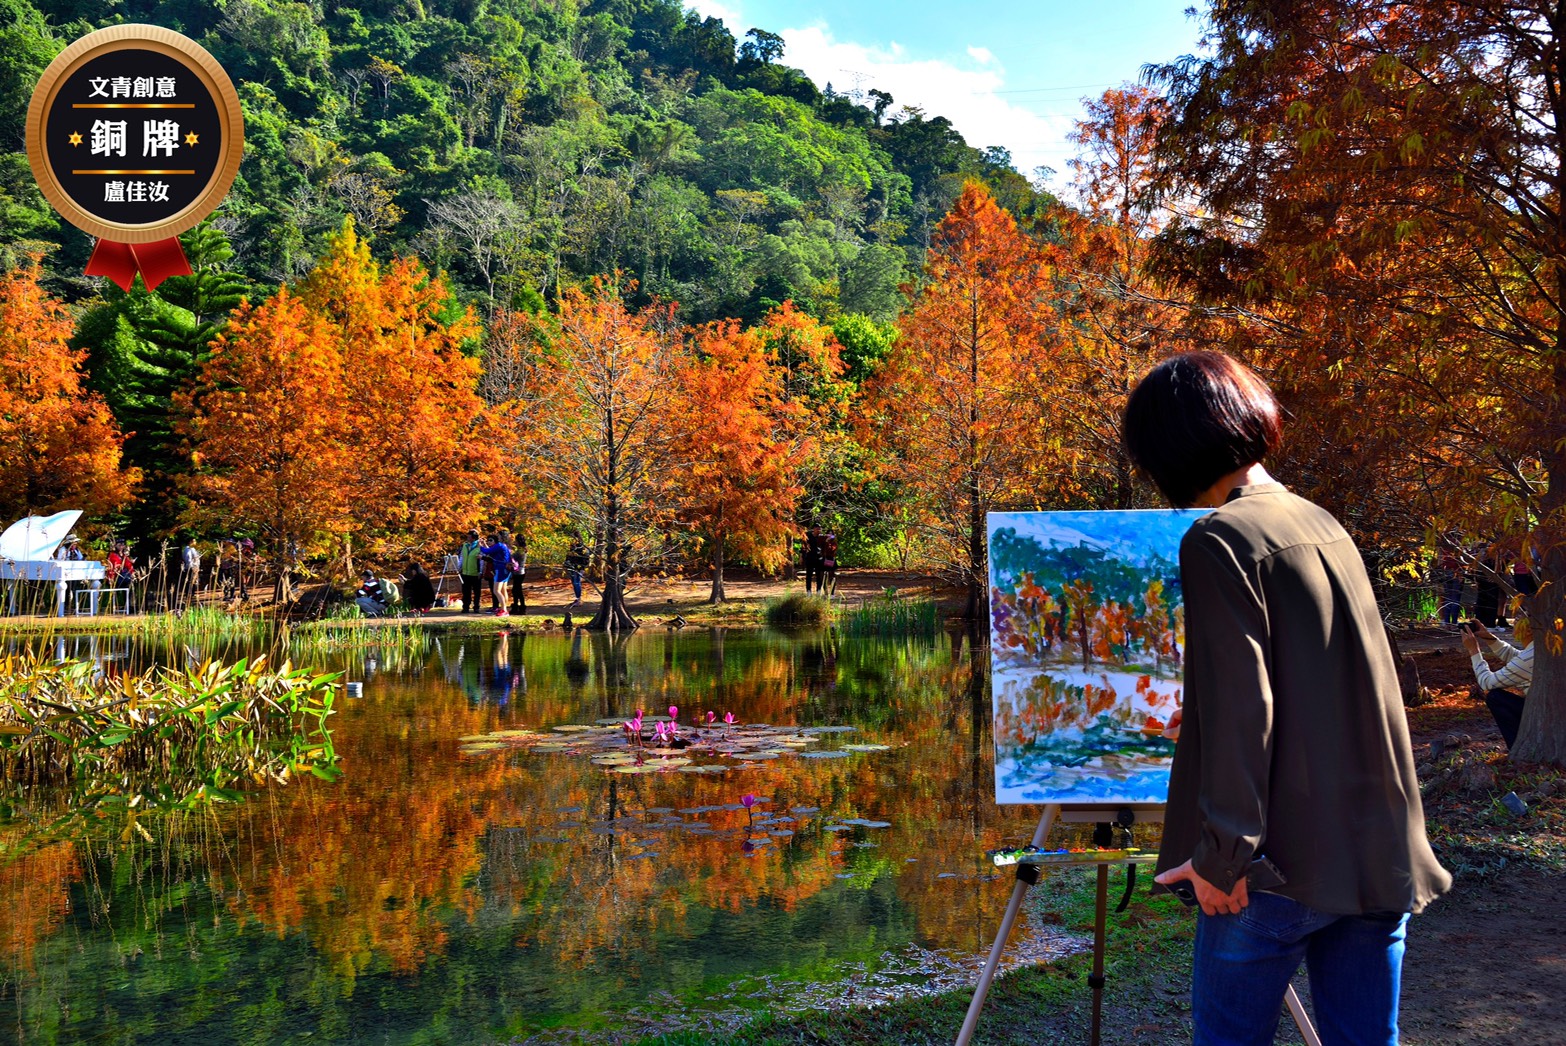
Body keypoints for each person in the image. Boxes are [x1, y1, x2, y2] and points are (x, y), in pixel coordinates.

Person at [1121, 351, 1450, 1046]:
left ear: (1171, 447)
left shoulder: (1219, 539)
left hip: (1272, 874)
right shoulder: (1321, 522)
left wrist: (1222, 857)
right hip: (1374, 853)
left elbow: (1245, 709)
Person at [1464, 607, 1534, 750]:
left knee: (1495, 697)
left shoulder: (1529, 657)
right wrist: (1488, 637)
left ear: (1528, 630)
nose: (1514, 622)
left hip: (1544, 716)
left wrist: (1474, 650)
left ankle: (1518, 749)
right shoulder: (1543, 647)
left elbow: (1487, 683)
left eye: (1519, 619)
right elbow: (1517, 658)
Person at [482, 532, 513, 617]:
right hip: (506, 569)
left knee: (496, 590)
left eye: (498, 536)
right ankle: (504, 608)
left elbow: (486, 551)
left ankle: (504, 610)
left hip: (500, 569)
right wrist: (484, 544)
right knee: (503, 590)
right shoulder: (504, 546)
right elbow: (491, 552)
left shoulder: (499, 545)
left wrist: (480, 546)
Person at [458, 529, 484, 613]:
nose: (467, 538)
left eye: (469, 537)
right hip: (465, 572)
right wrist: (459, 566)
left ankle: (476, 607)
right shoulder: (465, 545)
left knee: (476, 591)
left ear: (473, 538)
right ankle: (466, 607)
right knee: (465, 591)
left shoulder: (479, 546)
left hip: (475, 572)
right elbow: (462, 557)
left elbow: (482, 560)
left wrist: (480, 571)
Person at [564, 541, 590, 608]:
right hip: (572, 568)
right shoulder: (572, 548)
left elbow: (586, 558)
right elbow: (568, 557)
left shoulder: (581, 548)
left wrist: (582, 568)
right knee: (574, 583)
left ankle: (579, 599)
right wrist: (567, 565)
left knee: (576, 582)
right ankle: (578, 599)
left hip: (578, 568)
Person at [509, 536, 529, 615]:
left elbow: (512, 558)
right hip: (518, 571)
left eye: (516, 540)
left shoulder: (520, 551)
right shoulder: (521, 550)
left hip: (519, 572)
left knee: (517, 590)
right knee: (516, 590)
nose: (515, 542)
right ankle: (518, 606)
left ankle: (519, 607)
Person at [178, 540, 201, 609]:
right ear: (191, 542)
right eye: (194, 541)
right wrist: (194, 566)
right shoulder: (187, 550)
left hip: (193, 567)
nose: (196, 542)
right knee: (190, 581)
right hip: (190, 567)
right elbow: (188, 559)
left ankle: (192, 594)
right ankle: (189, 594)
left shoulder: (193, 549)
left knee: (193, 581)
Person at [802, 525, 825, 592]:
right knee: (809, 575)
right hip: (810, 558)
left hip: (819, 558)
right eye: (818, 529)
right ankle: (808, 590)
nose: (819, 530)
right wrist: (802, 555)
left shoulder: (821, 537)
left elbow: (833, 536)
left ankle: (819, 590)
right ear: (814, 529)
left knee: (819, 575)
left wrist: (829, 537)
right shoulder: (808, 536)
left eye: (820, 529)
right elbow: (803, 547)